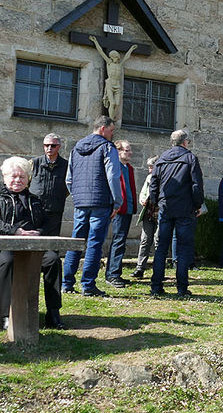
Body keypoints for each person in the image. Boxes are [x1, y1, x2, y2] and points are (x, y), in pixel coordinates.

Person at [0, 156, 64, 330]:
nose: (17, 180)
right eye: (13, 176)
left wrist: (39, 232)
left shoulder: (35, 200)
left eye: (22, 177)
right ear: (5, 177)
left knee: (52, 260)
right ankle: (7, 314)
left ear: (28, 179)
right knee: (7, 261)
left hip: (30, 247)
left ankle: (53, 313)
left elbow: (48, 222)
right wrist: (14, 231)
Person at [62, 115, 123, 297]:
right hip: (101, 201)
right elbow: (113, 176)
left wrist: (77, 196)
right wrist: (117, 201)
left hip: (81, 202)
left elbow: (69, 178)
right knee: (95, 243)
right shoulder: (107, 147)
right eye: (111, 131)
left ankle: (67, 283)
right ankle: (87, 285)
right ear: (103, 129)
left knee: (76, 240)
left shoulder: (76, 147)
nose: (112, 135)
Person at [148, 129, 204, 298]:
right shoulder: (190, 158)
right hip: (185, 208)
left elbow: (153, 183)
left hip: (166, 207)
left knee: (161, 248)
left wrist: (156, 201)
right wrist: (197, 204)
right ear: (185, 142)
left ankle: (156, 286)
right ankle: (181, 287)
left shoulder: (162, 159)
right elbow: (196, 185)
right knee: (183, 248)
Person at [104, 140, 136, 288]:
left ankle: (116, 272)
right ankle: (112, 274)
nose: (130, 153)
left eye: (129, 150)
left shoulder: (128, 168)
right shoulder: (114, 167)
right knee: (118, 241)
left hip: (127, 209)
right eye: (127, 150)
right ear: (119, 151)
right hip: (119, 210)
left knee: (121, 241)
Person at [29, 133, 69, 236]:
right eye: (46, 145)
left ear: (59, 147)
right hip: (35, 210)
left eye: (53, 145)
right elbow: (26, 184)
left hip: (55, 211)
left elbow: (69, 187)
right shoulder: (34, 163)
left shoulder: (66, 166)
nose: (49, 148)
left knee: (52, 244)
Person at [132, 156, 158, 279]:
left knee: (159, 241)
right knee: (145, 240)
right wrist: (142, 199)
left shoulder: (166, 178)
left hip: (160, 214)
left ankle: (158, 270)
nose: (149, 170)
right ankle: (140, 268)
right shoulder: (149, 178)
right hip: (148, 213)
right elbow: (143, 193)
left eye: (151, 167)